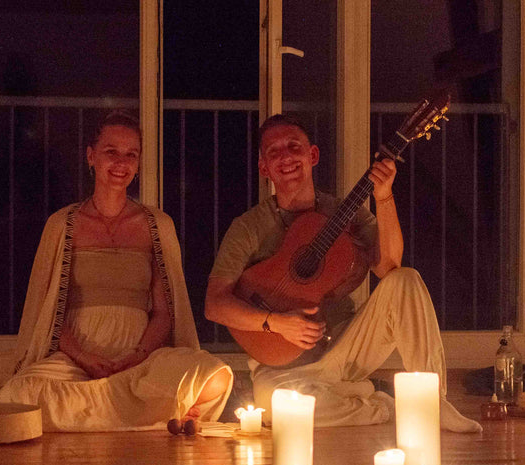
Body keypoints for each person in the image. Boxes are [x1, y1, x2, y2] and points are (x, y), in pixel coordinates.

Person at [204, 114, 480, 432]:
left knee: (406, 279)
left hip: (346, 347)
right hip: (283, 366)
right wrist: (277, 323)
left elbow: (388, 266)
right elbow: (215, 304)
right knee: (277, 407)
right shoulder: (248, 227)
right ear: (264, 167)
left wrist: (383, 196)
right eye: (274, 151)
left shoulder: (343, 212)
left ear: (313, 155)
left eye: (294, 146)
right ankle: (381, 405)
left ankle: (433, 403)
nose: (286, 156)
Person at [0, 111, 233, 431]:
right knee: (18, 393)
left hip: (140, 362)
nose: (121, 162)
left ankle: (99, 413)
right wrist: (83, 358)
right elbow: (50, 312)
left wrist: (136, 356)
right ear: (91, 156)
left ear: (137, 164)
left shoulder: (156, 225)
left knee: (214, 374)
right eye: (111, 152)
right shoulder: (62, 224)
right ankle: (142, 413)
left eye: (130, 155)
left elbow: (165, 314)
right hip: (76, 364)